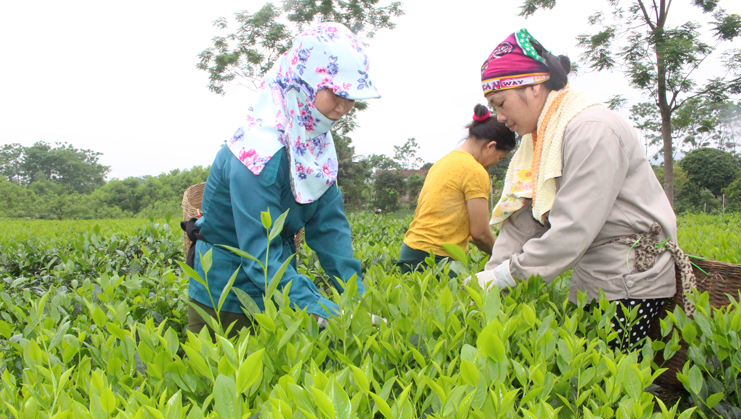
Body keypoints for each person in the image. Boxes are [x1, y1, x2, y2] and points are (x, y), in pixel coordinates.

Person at [472, 29, 696, 352]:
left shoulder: (591, 130)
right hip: (595, 280)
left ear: (534, 87)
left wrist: (508, 276)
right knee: (589, 384)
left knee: (613, 388)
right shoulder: (540, 139)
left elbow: (572, 229)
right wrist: (490, 275)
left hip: (631, 284)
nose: (499, 117)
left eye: (501, 103)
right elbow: (525, 219)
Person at [186, 23, 381, 335]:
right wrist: (322, 308)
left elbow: (330, 231)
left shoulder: (314, 145)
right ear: (304, 83)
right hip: (223, 294)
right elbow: (258, 254)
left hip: (278, 288)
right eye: (336, 93)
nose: (344, 108)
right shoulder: (259, 149)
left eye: (352, 97)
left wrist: (356, 300)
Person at [397, 104, 515, 274]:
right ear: (490, 147)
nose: (497, 162)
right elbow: (480, 234)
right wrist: (502, 257)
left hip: (411, 252)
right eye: (500, 157)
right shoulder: (475, 171)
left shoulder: (443, 162)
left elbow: (449, 220)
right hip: (438, 260)